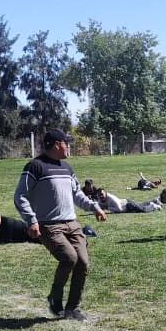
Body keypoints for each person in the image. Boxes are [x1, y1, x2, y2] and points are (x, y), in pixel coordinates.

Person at [13, 128, 107, 320]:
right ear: (57, 144)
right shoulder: (35, 166)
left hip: (72, 223)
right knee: (69, 258)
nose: (68, 147)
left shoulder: (66, 167)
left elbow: (77, 194)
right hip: (49, 225)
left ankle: (72, 308)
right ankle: (55, 297)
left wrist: (94, 207)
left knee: (82, 262)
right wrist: (31, 220)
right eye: (66, 143)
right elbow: (20, 195)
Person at [97, 189, 162, 214]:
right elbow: (99, 207)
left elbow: (120, 209)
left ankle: (154, 206)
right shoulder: (100, 199)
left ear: (106, 193)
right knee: (140, 205)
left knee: (142, 210)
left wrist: (107, 208)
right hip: (126, 206)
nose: (101, 196)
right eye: (99, 195)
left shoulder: (112, 199)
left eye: (102, 194)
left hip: (127, 204)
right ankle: (153, 201)